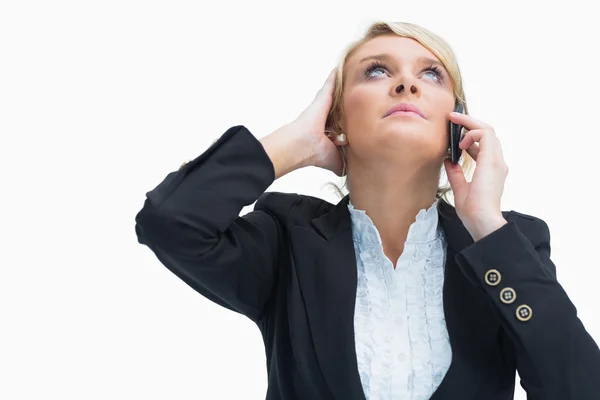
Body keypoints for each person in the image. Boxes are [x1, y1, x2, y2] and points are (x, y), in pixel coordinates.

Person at [134, 20, 600, 400]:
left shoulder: (506, 245)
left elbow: (578, 387)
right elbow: (170, 222)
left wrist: (485, 223)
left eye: (431, 74)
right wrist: (294, 144)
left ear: (458, 124)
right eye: (377, 71)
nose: (405, 83)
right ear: (336, 119)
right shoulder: (286, 240)